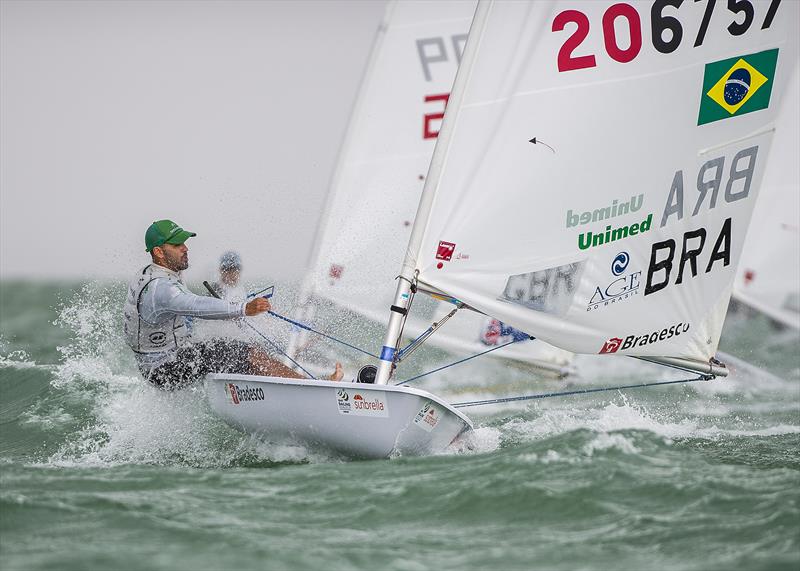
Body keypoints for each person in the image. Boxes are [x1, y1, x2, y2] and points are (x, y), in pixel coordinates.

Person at [123, 219, 342, 389]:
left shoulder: (157, 273)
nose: (185, 248)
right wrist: (243, 309)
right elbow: (194, 304)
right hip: (163, 371)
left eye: (185, 243)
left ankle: (289, 383)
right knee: (238, 351)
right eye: (177, 244)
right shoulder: (160, 287)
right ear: (159, 252)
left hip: (167, 361)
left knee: (231, 349)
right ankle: (307, 387)